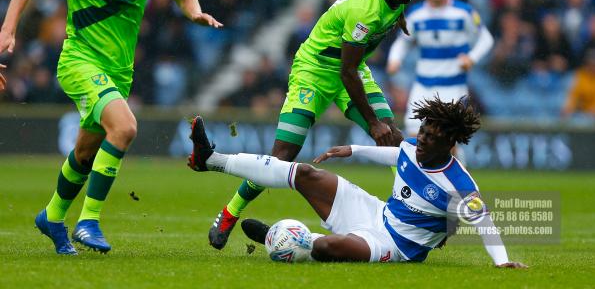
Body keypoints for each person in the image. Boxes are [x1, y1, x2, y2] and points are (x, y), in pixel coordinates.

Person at [0, 0, 222, 255]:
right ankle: (88, 222)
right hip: (80, 60)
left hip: (119, 70)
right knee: (125, 127)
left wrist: (194, 11)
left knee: (85, 154)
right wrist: (7, 31)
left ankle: (52, 217)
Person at [208, 0, 427, 249]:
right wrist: (372, 123)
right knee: (282, 155)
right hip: (316, 70)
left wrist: (399, 18)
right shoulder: (366, 10)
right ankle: (229, 213)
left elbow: (357, 61)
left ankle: (412, 216)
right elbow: (346, 72)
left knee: (394, 138)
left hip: (352, 68)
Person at [187, 98, 527, 267]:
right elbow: (396, 156)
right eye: (422, 131)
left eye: (432, 137)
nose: (422, 140)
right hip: (375, 212)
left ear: (449, 143)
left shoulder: (459, 184)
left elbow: (485, 223)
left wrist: (501, 262)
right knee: (305, 173)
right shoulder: (411, 147)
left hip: (396, 246)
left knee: (325, 248)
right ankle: (211, 160)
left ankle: (281, 238)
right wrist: (352, 150)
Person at [387, 0, 494, 139]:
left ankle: (458, 165)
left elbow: (486, 39)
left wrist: (472, 58)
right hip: (422, 87)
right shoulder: (416, 14)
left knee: (447, 143)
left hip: (453, 88)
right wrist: (394, 59)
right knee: (415, 138)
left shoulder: (463, 13)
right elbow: (402, 43)